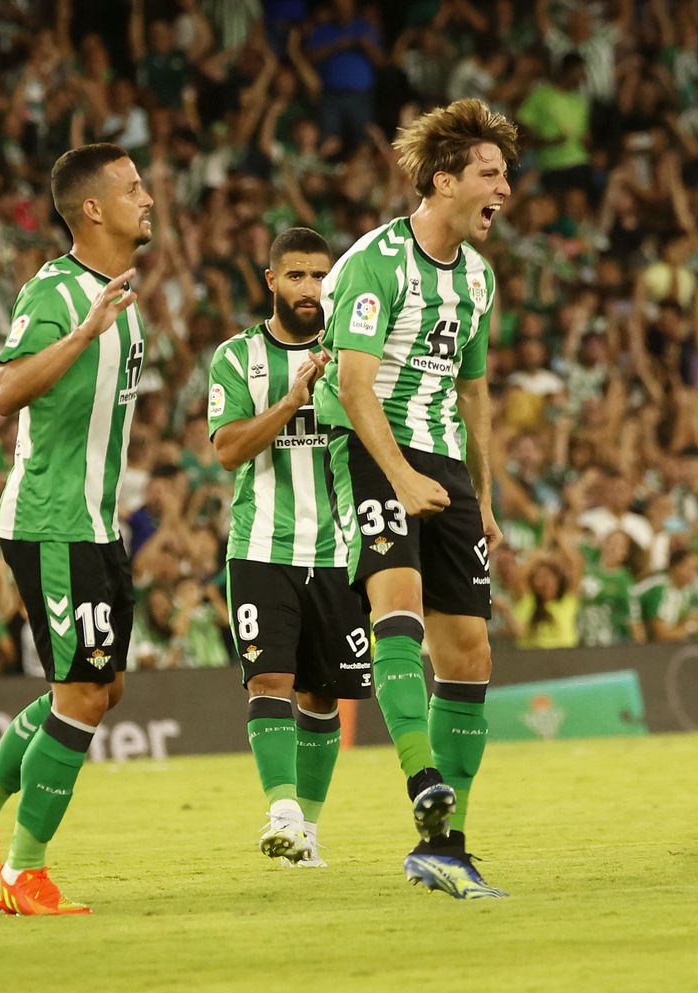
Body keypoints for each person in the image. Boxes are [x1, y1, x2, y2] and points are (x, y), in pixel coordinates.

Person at [0, 143, 151, 916]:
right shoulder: (57, 291)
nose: (148, 197)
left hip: (93, 522)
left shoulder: (119, 291)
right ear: (93, 209)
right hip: (51, 519)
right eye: (132, 188)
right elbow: (4, 389)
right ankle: (23, 872)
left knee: (103, 687)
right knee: (82, 694)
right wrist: (84, 332)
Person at [314, 98, 517, 900]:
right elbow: (353, 384)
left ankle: (444, 846)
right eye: (491, 173)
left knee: (469, 652)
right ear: (444, 180)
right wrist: (397, 475)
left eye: (506, 173)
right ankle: (419, 779)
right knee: (396, 609)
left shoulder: (478, 278)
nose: (505, 187)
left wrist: (486, 500)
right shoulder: (374, 262)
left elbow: (476, 395)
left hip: (444, 466)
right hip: (370, 448)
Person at [206, 227, 372, 868]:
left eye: (321, 277)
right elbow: (227, 449)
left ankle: (306, 833)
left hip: (340, 549)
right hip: (261, 546)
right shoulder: (237, 357)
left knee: (322, 695)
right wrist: (290, 402)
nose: (312, 289)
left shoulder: (352, 353)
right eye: (298, 276)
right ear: (271, 280)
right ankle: (282, 810)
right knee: (270, 680)